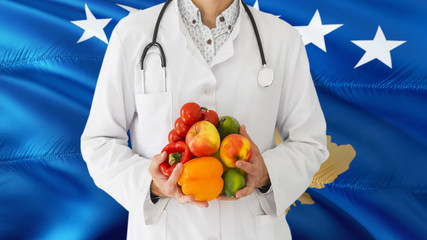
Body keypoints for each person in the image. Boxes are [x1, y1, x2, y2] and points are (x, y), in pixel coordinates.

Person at [81, 0, 329, 239]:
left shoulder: (282, 39)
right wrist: (152, 185)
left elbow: (309, 141)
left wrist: (266, 175)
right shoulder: (132, 34)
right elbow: (99, 142)